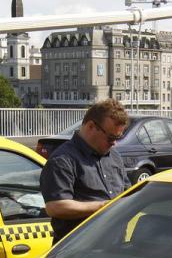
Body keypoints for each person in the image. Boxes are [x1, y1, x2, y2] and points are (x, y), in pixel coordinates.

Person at [40, 99, 131, 244]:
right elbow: (55, 207)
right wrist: (103, 206)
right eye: (111, 137)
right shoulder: (63, 159)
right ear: (90, 126)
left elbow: (126, 194)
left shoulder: (114, 156)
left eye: (118, 138)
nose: (114, 143)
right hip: (76, 253)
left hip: (114, 248)